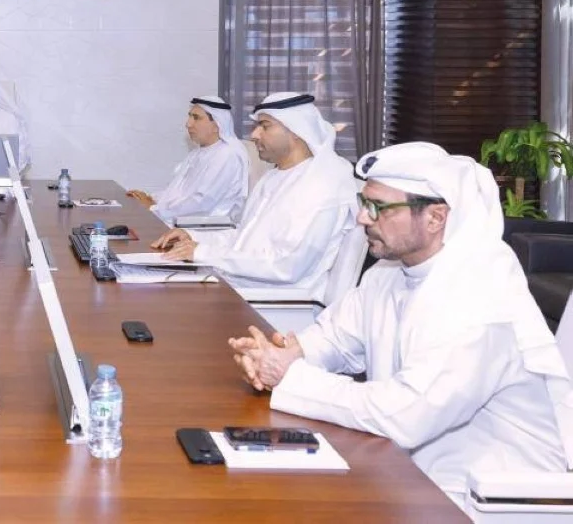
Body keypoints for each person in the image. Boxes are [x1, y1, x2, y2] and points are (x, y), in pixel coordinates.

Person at [228, 142, 573, 514]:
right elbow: (334, 338)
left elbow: (406, 414)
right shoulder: (389, 273)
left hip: (486, 502)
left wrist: (289, 376)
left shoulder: (480, 295)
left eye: (378, 207)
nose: (363, 218)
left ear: (435, 217)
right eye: (363, 203)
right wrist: (282, 355)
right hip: (406, 477)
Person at [151, 92, 357, 301]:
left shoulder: (321, 184)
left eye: (265, 126)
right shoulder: (274, 176)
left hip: (276, 303)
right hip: (238, 287)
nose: (254, 135)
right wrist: (193, 237)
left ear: (296, 130)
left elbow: (286, 266)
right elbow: (244, 238)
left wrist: (202, 253)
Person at [126, 96, 249, 225]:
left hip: (204, 228)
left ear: (217, 125)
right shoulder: (198, 153)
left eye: (196, 118)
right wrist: (150, 198)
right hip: (180, 221)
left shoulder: (227, 155)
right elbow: (178, 192)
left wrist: (154, 208)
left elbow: (201, 204)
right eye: (190, 117)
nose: (188, 124)